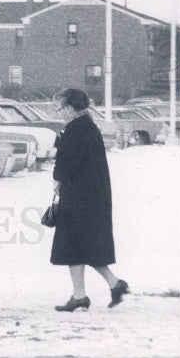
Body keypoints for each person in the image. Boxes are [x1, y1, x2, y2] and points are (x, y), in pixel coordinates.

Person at [50, 87, 129, 311]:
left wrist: (58, 179)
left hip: (79, 197)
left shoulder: (77, 130)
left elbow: (68, 163)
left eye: (60, 108)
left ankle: (82, 295)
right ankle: (111, 285)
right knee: (83, 244)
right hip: (89, 195)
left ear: (70, 108)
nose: (59, 113)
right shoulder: (86, 126)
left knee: (74, 244)